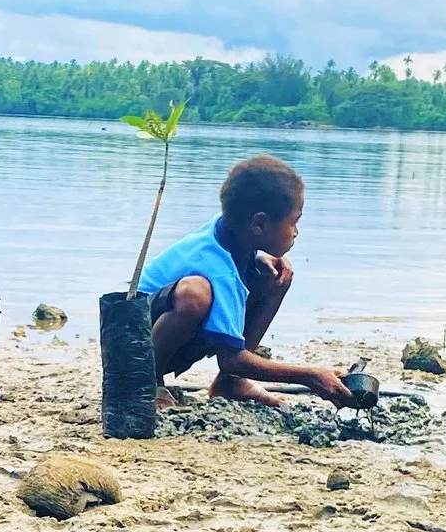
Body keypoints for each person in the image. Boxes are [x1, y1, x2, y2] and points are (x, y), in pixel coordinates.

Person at [138, 154, 349, 406]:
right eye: (294, 222)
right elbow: (231, 358)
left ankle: (230, 382)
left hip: (168, 330)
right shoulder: (219, 269)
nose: (296, 232)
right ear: (259, 224)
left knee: (275, 276)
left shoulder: (230, 231)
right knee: (195, 294)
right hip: (135, 342)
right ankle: (145, 383)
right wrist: (309, 376)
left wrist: (258, 259)